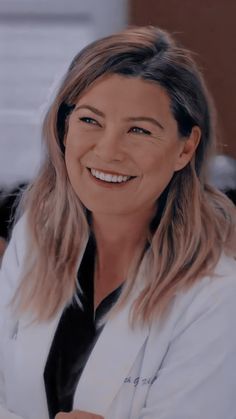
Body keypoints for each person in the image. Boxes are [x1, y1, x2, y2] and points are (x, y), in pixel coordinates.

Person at [0, 26, 235, 419]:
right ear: (63, 128)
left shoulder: (218, 297)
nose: (108, 151)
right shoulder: (33, 240)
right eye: (90, 121)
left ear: (185, 148)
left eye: (139, 130)